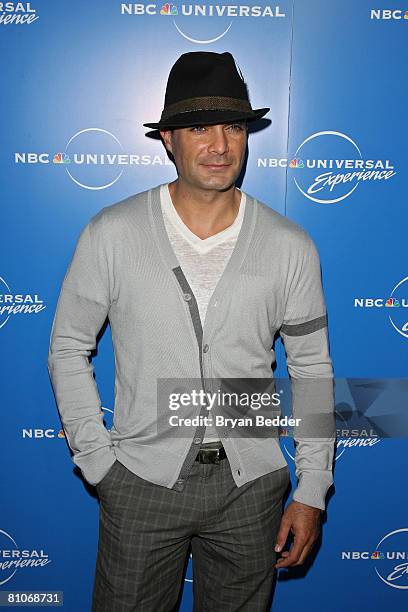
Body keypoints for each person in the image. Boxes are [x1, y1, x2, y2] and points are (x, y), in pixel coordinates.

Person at [48, 51, 335, 611]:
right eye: (199, 127)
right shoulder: (112, 233)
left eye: (233, 126)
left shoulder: (289, 245)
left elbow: (312, 369)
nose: (220, 145)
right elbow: (67, 349)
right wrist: (99, 463)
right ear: (167, 141)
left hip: (252, 489)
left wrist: (311, 489)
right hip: (140, 483)